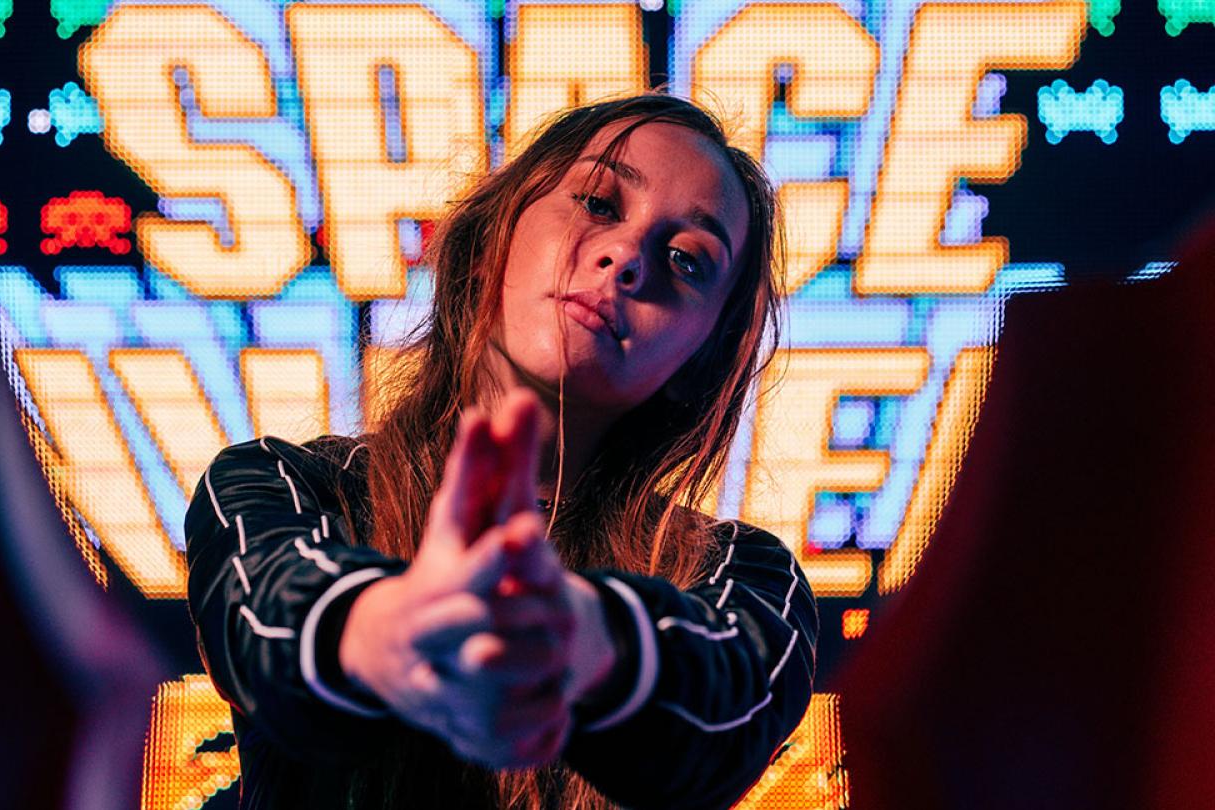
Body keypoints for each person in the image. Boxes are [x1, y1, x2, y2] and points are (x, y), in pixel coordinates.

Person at [186, 93, 819, 810]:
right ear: (492, 240)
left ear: (700, 361)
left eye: (687, 259)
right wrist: (396, 630)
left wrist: (574, 637)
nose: (628, 258)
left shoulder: (748, 578)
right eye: (600, 202)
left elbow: (719, 711)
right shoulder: (276, 484)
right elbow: (265, 618)